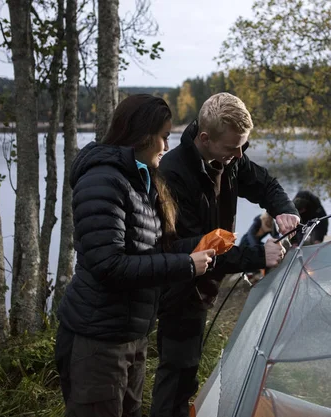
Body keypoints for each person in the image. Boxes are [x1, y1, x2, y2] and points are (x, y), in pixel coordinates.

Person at [54, 94, 216, 417]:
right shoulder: (102, 180)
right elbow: (108, 265)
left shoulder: (140, 181)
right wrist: (185, 265)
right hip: (97, 342)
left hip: (131, 336)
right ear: (143, 135)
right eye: (164, 136)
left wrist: (199, 245)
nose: (166, 147)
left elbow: (150, 251)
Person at [151, 93, 300, 417]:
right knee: (177, 372)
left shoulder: (229, 157)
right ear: (205, 138)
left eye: (243, 147)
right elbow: (195, 247)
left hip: (205, 282)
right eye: (233, 148)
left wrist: (284, 210)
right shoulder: (174, 173)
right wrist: (258, 256)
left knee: (187, 373)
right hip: (179, 284)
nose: (239, 155)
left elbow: (265, 184)